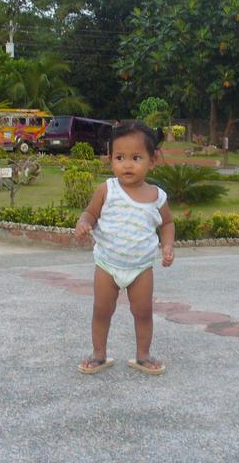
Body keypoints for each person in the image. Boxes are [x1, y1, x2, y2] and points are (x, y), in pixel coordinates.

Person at [74, 121, 175, 375]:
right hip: (107, 265)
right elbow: (90, 213)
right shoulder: (107, 190)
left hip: (140, 268)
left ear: (152, 160)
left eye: (136, 158)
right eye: (120, 158)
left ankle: (143, 356)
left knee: (143, 312)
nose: (127, 164)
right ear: (110, 160)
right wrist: (83, 223)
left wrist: (167, 245)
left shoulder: (157, 196)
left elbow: (167, 223)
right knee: (101, 310)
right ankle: (99, 354)